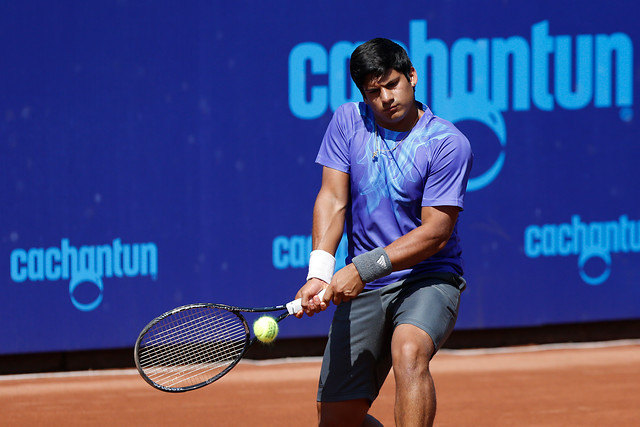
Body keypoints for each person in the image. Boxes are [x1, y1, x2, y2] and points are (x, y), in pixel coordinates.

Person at [294, 38, 473, 426]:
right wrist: (319, 272)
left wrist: (361, 268)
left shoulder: (447, 144)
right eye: (373, 92)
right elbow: (332, 200)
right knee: (338, 420)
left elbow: (435, 234)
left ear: (412, 76)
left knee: (408, 351)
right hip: (368, 287)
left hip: (427, 277)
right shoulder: (347, 121)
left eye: (392, 84)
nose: (386, 98)